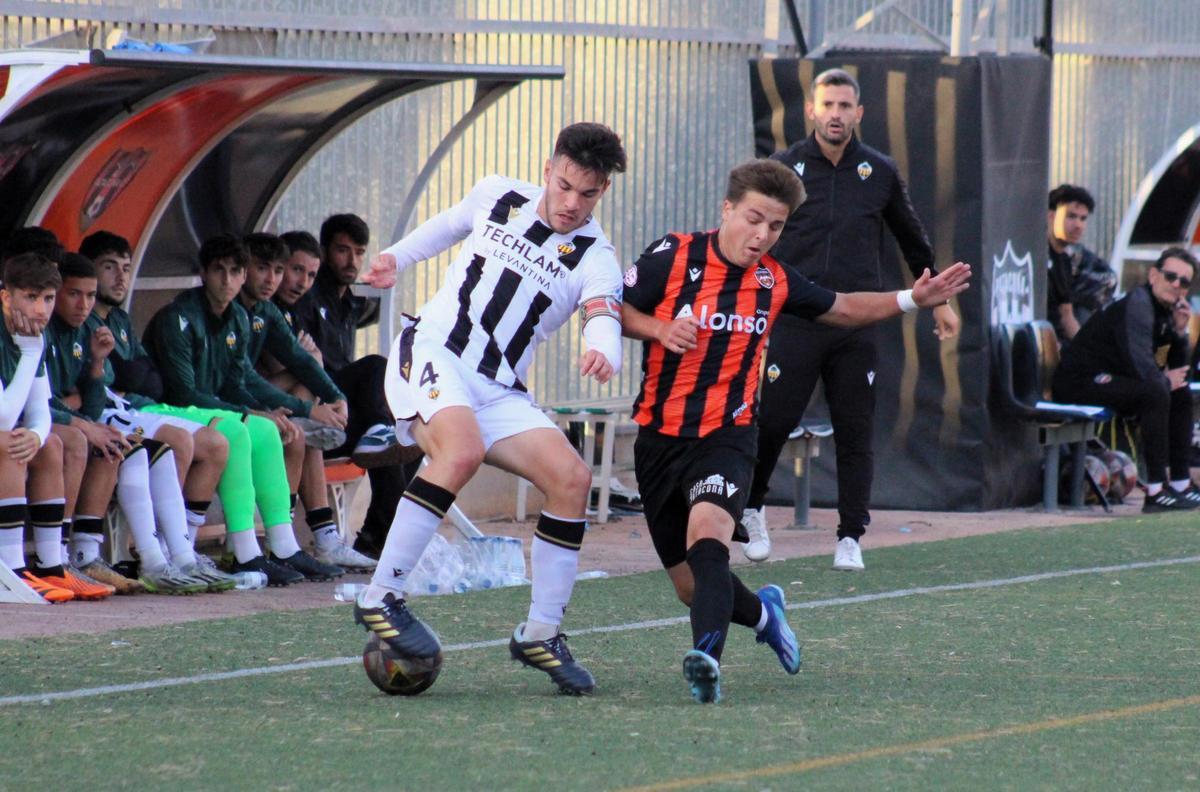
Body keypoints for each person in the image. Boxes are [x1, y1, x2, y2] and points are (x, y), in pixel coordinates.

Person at [621, 159, 971, 703]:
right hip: (658, 440)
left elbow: (846, 307)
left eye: (777, 226)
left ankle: (705, 661)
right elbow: (613, 311)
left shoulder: (775, 282)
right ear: (727, 209)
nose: (762, 236)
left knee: (709, 540)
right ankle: (765, 615)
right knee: (691, 587)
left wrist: (912, 299)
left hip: (728, 437)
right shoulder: (673, 255)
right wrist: (659, 327)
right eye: (755, 219)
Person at [354, 122, 629, 695]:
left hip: (499, 386)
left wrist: (603, 349)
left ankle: (540, 632)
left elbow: (603, 309)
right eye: (564, 185)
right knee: (461, 451)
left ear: (603, 190)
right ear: (548, 167)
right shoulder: (498, 195)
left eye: (588, 193)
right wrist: (395, 258)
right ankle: (382, 594)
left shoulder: (595, 254)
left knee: (572, 479)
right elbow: (449, 224)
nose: (572, 203)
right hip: (432, 348)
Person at [741, 68, 961, 571]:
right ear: (812, 111)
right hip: (796, 318)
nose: (836, 114)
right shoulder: (785, 166)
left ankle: (849, 536)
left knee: (854, 429)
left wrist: (940, 301)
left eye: (845, 106)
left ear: (859, 113)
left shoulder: (878, 170)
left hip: (857, 322)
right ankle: (751, 508)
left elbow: (911, 237)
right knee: (773, 421)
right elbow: (753, 232)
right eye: (828, 105)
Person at [143, 234, 342, 585]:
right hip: (172, 411)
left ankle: (282, 545)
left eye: (235, 271)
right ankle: (245, 554)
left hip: (207, 411)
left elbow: (239, 380)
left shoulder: (237, 317)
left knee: (266, 429)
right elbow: (184, 391)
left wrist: (317, 401)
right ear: (204, 273)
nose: (227, 280)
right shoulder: (178, 318)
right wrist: (247, 412)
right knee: (239, 429)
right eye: (219, 271)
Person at [46, 253, 227, 593]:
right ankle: (71, 557)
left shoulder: (85, 330)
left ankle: (175, 558)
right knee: (92, 442)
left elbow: (95, 400)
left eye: (88, 295)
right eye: (74, 294)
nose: (83, 304)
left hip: (80, 420)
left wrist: (97, 365)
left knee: (138, 451)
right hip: (47, 428)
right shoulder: (43, 330)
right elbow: (41, 400)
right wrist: (80, 419)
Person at [239, 231, 375, 571]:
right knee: (300, 432)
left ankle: (321, 538)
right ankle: (283, 543)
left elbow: (297, 362)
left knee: (305, 433)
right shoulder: (232, 312)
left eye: (308, 274)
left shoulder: (268, 311)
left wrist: (334, 396)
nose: (277, 279)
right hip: (229, 408)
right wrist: (310, 404)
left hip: (260, 403)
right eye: (265, 269)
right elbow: (245, 379)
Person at [289, 218, 420, 561]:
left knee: (412, 436)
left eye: (358, 252)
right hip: (318, 412)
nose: (351, 260)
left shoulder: (349, 302)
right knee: (376, 368)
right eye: (342, 250)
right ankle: (389, 541)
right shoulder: (307, 297)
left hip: (345, 415)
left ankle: (376, 538)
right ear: (325, 251)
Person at [1053, 247, 1198, 513]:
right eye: (1170, 276)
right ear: (1154, 275)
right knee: (1156, 391)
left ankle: (1180, 483)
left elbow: (1178, 369)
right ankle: (1155, 490)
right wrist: (1165, 381)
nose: (1176, 284)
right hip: (1080, 381)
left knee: (1181, 393)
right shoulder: (1139, 304)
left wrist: (1179, 332)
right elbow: (1140, 365)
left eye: (1184, 281)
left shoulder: (1167, 311)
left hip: (1115, 382)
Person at [0, 252, 80, 602]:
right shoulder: (27, 343)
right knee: (7, 442)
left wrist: (36, 434)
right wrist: (30, 354)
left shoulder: (33, 336)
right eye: (31, 297)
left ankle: (50, 566)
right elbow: (2, 417)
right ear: (6, 296)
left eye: (48, 298)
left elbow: (39, 412)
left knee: (48, 444)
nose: (41, 309)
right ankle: (11, 569)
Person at [1046, 184, 1117, 343]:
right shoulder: (1036, 255)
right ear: (1050, 216)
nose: (1078, 225)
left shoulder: (1064, 260)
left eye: (1083, 218)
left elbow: (1067, 316)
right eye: (1071, 216)